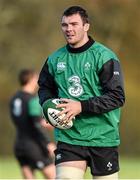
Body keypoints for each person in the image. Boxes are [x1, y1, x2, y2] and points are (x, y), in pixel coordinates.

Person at [38, 6, 125, 180]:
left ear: (86, 26)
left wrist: (81, 106)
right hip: (69, 138)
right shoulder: (55, 59)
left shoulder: (104, 57)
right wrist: (48, 105)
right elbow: (45, 87)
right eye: (64, 25)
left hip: (103, 138)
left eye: (74, 24)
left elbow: (117, 97)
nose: (69, 29)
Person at [9, 69, 56, 179]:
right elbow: (37, 124)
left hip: (19, 144)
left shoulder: (14, 99)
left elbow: (23, 121)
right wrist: (47, 143)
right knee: (54, 177)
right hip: (34, 146)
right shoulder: (32, 100)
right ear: (32, 80)